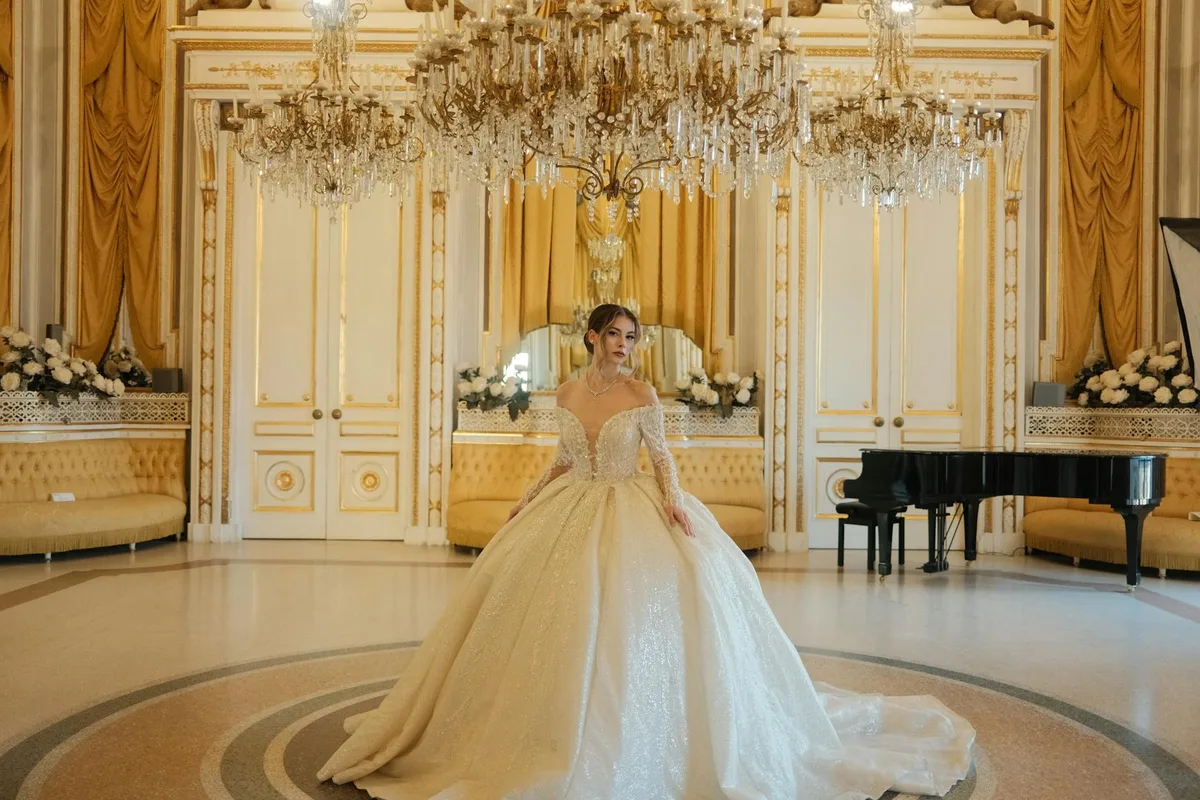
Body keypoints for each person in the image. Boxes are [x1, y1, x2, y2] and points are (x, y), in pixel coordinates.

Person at [318, 304, 976, 799]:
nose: (626, 347)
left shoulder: (644, 394)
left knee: (641, 620)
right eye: (616, 335)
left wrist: (673, 502)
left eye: (632, 337)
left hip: (634, 503)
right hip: (571, 501)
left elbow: (661, 457)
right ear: (593, 338)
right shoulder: (567, 393)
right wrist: (526, 498)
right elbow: (563, 458)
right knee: (552, 619)